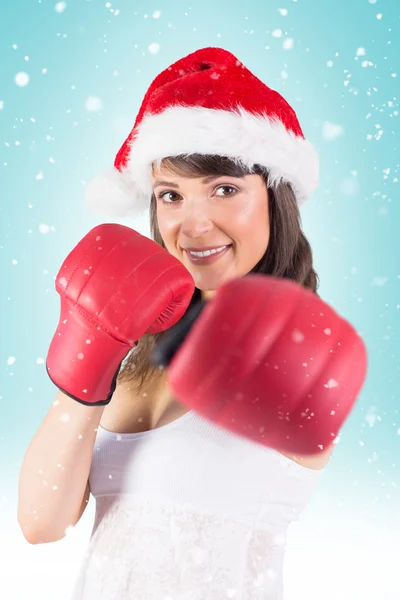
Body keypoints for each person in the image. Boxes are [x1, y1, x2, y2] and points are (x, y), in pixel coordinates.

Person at [17, 47, 367, 599]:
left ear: (275, 201)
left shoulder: (297, 353)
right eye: (170, 196)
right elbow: (41, 523)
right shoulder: (133, 353)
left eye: (224, 189)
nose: (194, 223)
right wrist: (86, 365)